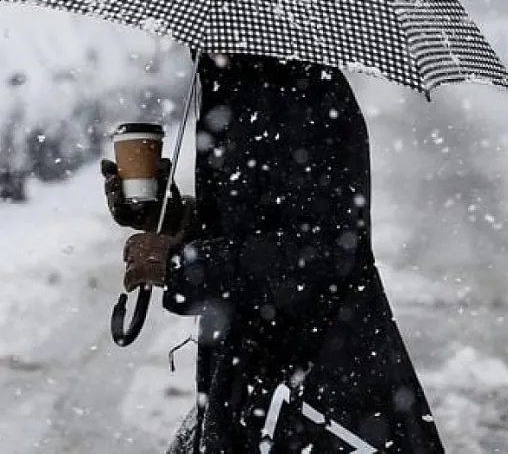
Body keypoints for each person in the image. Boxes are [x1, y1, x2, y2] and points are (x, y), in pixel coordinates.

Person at [102, 53, 445, 453]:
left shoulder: (302, 93)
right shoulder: (236, 81)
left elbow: (321, 252)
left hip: (309, 388)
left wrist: (183, 266)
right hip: (253, 383)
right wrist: (170, 216)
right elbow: (254, 222)